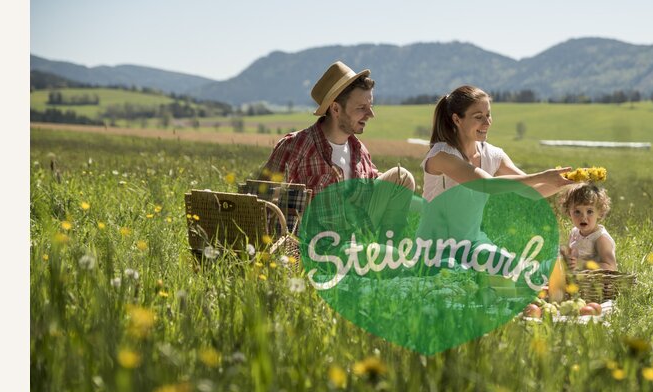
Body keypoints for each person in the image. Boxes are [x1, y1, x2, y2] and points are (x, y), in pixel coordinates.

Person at [259, 61, 414, 236]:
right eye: (362, 108)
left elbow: (375, 191)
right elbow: (260, 199)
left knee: (402, 177)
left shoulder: (359, 151)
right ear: (335, 108)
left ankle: (387, 249)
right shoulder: (295, 145)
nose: (371, 115)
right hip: (316, 246)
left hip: (355, 240)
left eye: (371, 107)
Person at [418, 85, 571, 245]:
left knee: (514, 268)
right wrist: (542, 176)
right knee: (454, 270)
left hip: (473, 244)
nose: (487, 122)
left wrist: (570, 179)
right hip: (435, 246)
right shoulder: (442, 155)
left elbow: (533, 191)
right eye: (478, 117)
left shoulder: (493, 155)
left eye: (488, 115)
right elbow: (486, 184)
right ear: (457, 120)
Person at [561, 183, 617, 271]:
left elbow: (611, 268)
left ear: (600, 212)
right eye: (577, 212)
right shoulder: (574, 232)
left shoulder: (600, 238)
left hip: (596, 283)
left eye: (590, 211)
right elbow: (571, 255)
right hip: (576, 280)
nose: (583, 217)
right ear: (569, 212)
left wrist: (582, 264)